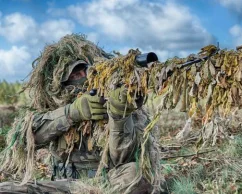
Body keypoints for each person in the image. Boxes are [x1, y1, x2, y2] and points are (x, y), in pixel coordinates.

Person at [0, 34, 161, 194]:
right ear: (59, 84)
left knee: (136, 175)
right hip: (63, 186)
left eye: (82, 72)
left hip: (106, 184)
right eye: (73, 76)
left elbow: (123, 160)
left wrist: (119, 115)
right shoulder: (50, 105)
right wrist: (73, 112)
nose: (80, 78)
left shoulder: (118, 97)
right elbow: (27, 138)